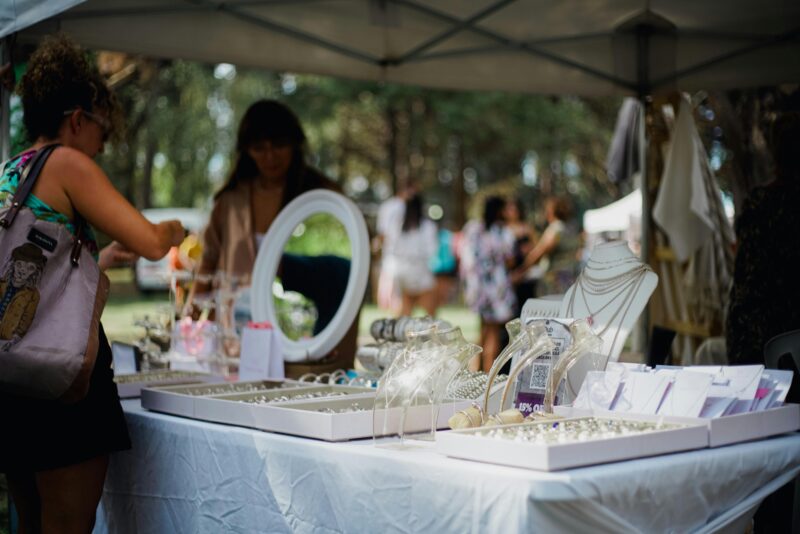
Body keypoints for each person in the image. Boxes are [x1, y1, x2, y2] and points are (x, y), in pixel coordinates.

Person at [0, 34, 184, 533]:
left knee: (32, 523)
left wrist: (100, 261)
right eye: (101, 135)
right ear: (77, 119)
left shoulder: (12, 172)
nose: (100, 150)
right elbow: (150, 241)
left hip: (16, 375)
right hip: (63, 382)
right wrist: (173, 231)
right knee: (67, 524)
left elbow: (39, 275)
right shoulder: (65, 162)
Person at [198, 99, 340, 284]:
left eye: (279, 145)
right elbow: (208, 263)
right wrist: (191, 311)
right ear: (247, 150)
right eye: (259, 148)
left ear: (294, 144)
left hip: (303, 311)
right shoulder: (230, 202)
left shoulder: (323, 198)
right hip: (234, 311)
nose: (270, 156)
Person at [459, 196, 517, 372]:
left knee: (482, 330)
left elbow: (465, 255)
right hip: (496, 288)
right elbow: (510, 260)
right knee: (493, 333)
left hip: (477, 287)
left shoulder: (473, 228)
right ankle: (488, 373)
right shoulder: (503, 232)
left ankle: (475, 370)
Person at [511, 195, 579, 297]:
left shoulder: (555, 229)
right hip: (570, 277)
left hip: (555, 281)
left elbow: (539, 253)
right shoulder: (571, 228)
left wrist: (521, 271)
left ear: (551, 211)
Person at [384, 193, 438, 316]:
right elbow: (432, 250)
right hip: (420, 272)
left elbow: (390, 248)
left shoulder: (397, 225)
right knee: (430, 314)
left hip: (402, 271)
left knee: (405, 312)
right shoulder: (427, 226)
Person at [374, 180, 417, 314]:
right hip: (397, 255)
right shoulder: (397, 207)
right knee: (396, 293)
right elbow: (383, 233)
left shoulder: (388, 206)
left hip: (395, 255)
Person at [503, 197, 538, 313]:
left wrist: (529, 249)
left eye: (514, 209)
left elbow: (536, 248)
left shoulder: (527, 228)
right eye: (509, 210)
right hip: (509, 275)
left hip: (526, 274)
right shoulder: (503, 229)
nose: (512, 212)